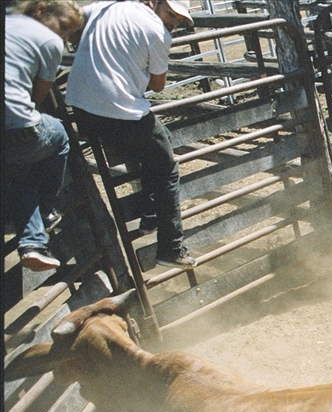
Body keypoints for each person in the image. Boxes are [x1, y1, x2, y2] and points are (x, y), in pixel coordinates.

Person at [65, 0, 196, 269]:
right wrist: (136, 62)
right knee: (167, 168)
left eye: (179, 19)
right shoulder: (159, 33)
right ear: (155, 2)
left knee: (161, 140)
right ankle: (171, 248)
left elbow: (75, 22)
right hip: (119, 113)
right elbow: (158, 85)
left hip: (81, 109)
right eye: (171, 13)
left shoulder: (109, 7)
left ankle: (149, 214)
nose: (174, 21)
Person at [3, 0, 85, 272]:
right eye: (63, 27)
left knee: (20, 171)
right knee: (59, 136)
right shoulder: (49, 41)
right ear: (40, 10)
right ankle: (46, 209)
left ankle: (32, 243)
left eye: (67, 34)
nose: (63, 37)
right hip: (15, 128)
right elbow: (39, 95)